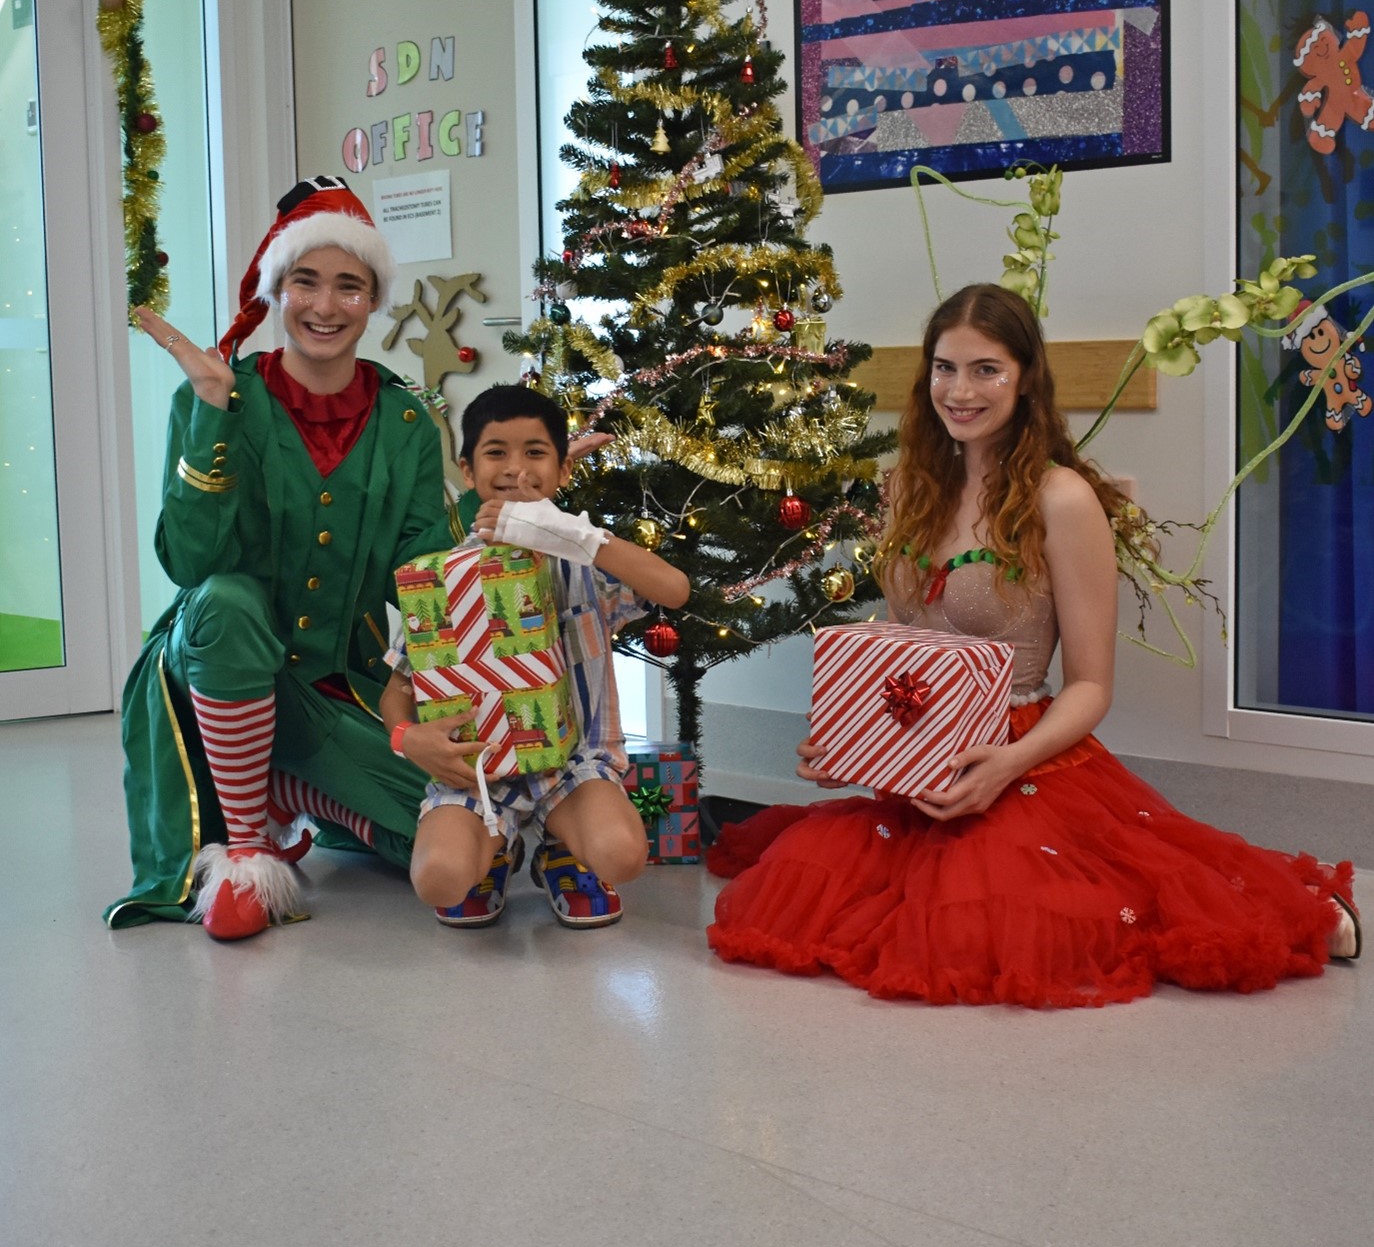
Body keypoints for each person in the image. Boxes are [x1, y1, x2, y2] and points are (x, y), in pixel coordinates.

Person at [707, 283, 1361, 1007]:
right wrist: (852, 745)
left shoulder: (1062, 499)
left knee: (1006, 924)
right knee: (805, 888)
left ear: (1025, 380)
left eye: (986, 369)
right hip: (922, 761)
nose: (960, 390)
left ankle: (1296, 900)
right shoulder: (906, 490)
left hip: (1024, 751)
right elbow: (904, 651)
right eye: (944, 368)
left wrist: (1003, 766)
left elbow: (1091, 686)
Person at [105, 176, 608, 941]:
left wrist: (510, 486)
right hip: (213, 661)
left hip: (332, 683)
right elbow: (191, 561)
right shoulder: (215, 397)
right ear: (276, 290)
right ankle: (246, 848)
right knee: (226, 601)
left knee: (456, 836)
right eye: (305, 282)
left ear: (372, 301)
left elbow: (421, 568)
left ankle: (291, 785)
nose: (325, 305)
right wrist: (210, 414)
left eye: (350, 286)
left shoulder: (406, 418)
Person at [381, 384, 690, 929]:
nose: (515, 468)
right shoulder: (439, 577)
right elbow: (399, 689)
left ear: (562, 469)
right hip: (477, 770)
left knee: (622, 854)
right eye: (496, 452)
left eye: (536, 452)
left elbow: (673, 589)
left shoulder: (584, 561)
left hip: (572, 765)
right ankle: (496, 850)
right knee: (438, 880)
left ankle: (561, 848)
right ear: (467, 470)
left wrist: (569, 532)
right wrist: (407, 739)